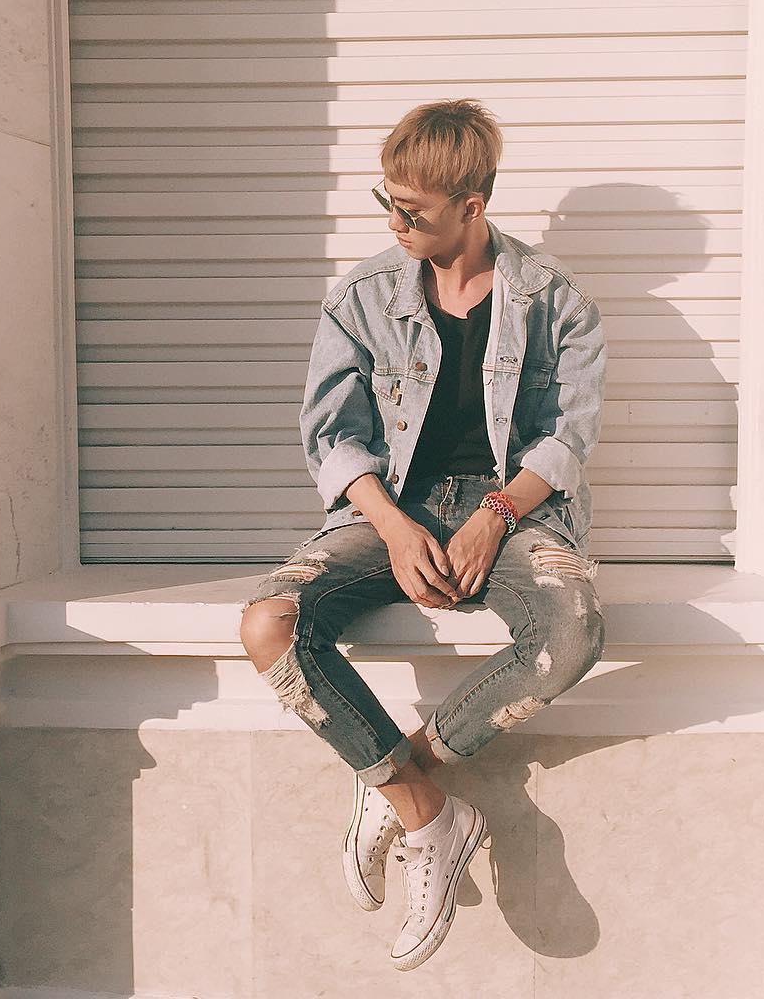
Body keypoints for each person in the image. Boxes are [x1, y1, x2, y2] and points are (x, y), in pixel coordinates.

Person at [239, 98, 607, 971]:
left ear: (472, 206)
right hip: (388, 505)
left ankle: (394, 775)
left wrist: (495, 515)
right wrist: (397, 529)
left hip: (513, 510)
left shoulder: (555, 301)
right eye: (387, 202)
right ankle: (428, 815)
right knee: (269, 623)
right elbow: (333, 437)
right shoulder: (361, 297)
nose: (394, 224)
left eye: (413, 211)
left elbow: (567, 439)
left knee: (573, 630)